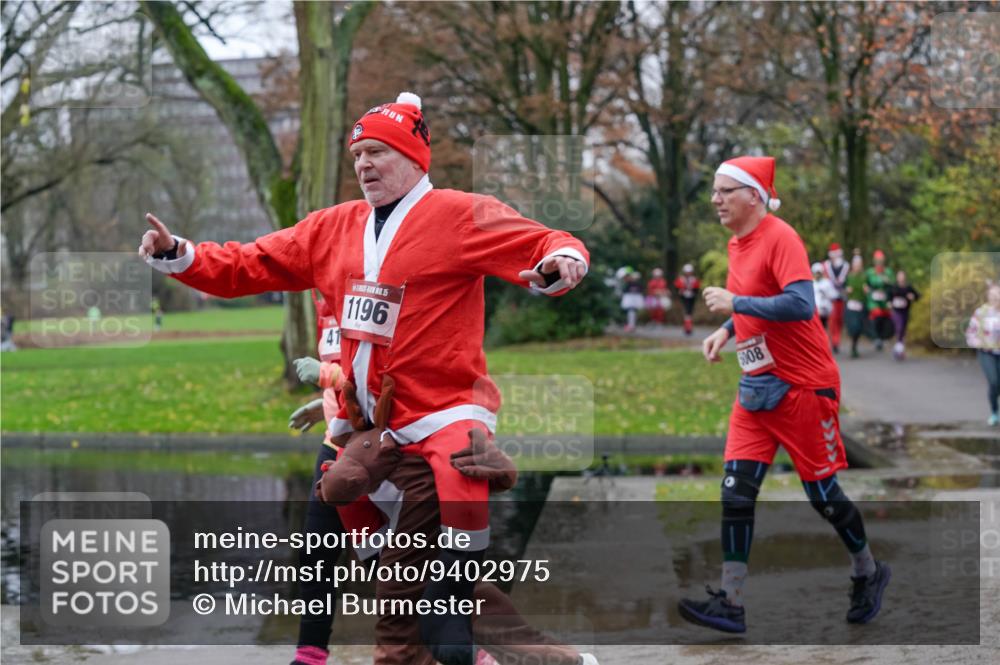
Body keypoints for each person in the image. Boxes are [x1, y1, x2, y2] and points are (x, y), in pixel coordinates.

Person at [139, 91, 588, 665]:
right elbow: (252, 262)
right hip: (370, 430)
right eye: (357, 156)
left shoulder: (458, 213)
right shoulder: (334, 226)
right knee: (367, 539)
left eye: (377, 152)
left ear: (414, 157)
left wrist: (563, 259)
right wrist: (180, 253)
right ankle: (511, 651)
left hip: (445, 414)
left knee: (423, 568)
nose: (364, 165)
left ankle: (444, 629)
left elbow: (542, 241)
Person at [679, 155, 889, 634]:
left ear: (753, 194)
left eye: (725, 190)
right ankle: (730, 601)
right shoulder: (737, 243)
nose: (715, 199)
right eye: (714, 190)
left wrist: (736, 304)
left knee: (822, 496)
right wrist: (729, 328)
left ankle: (869, 571)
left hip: (803, 387)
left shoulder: (781, 237)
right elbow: (758, 299)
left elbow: (800, 303)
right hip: (756, 389)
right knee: (735, 492)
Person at [966, 283, 1000, 426]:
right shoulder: (981, 313)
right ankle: (994, 412)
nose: (995, 297)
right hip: (987, 353)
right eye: (992, 295)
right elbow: (971, 332)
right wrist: (977, 342)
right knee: (993, 382)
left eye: (997, 294)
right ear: (988, 296)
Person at [823, 243, 849, 354]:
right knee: (832, 321)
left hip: (841, 297)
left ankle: (836, 341)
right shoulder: (826, 266)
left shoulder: (845, 266)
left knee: (839, 320)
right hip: (829, 298)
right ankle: (833, 341)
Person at [865, 250, 894, 351]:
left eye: (881, 260)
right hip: (873, 299)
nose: (879, 262)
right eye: (877, 260)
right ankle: (876, 337)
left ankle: (883, 337)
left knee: (884, 319)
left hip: (885, 300)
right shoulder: (870, 272)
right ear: (874, 261)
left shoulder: (888, 272)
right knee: (876, 316)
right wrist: (866, 287)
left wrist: (888, 281)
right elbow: (865, 283)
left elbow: (893, 285)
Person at [888, 270, 919, 361]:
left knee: (902, 331)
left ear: (905, 277)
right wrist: (889, 302)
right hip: (896, 311)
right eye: (899, 276)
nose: (901, 278)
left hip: (905, 311)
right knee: (899, 327)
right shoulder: (893, 287)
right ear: (897, 277)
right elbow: (888, 295)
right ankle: (899, 349)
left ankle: (898, 350)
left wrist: (912, 296)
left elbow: (917, 296)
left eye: (902, 276)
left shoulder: (908, 287)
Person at [844, 255, 868, 359]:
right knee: (853, 327)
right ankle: (853, 346)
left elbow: (869, 288)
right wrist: (846, 290)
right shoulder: (849, 276)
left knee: (859, 328)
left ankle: (855, 345)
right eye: (855, 264)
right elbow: (843, 288)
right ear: (852, 265)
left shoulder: (864, 277)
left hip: (860, 305)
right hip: (851, 305)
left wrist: (867, 290)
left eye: (859, 264)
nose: (857, 267)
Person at [674, 263, 701, 336]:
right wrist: (681, 291)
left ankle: (688, 327)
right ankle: (687, 327)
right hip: (684, 297)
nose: (688, 273)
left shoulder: (694, 279)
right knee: (687, 312)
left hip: (691, 297)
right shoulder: (681, 279)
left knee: (689, 312)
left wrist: (692, 291)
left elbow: (697, 289)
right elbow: (677, 288)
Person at [811, 262, 839, 331]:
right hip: (814, 312)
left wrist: (826, 293)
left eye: (819, 273)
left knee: (822, 329)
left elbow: (834, 295)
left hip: (824, 311)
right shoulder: (811, 283)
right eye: (816, 273)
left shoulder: (827, 283)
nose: (817, 275)